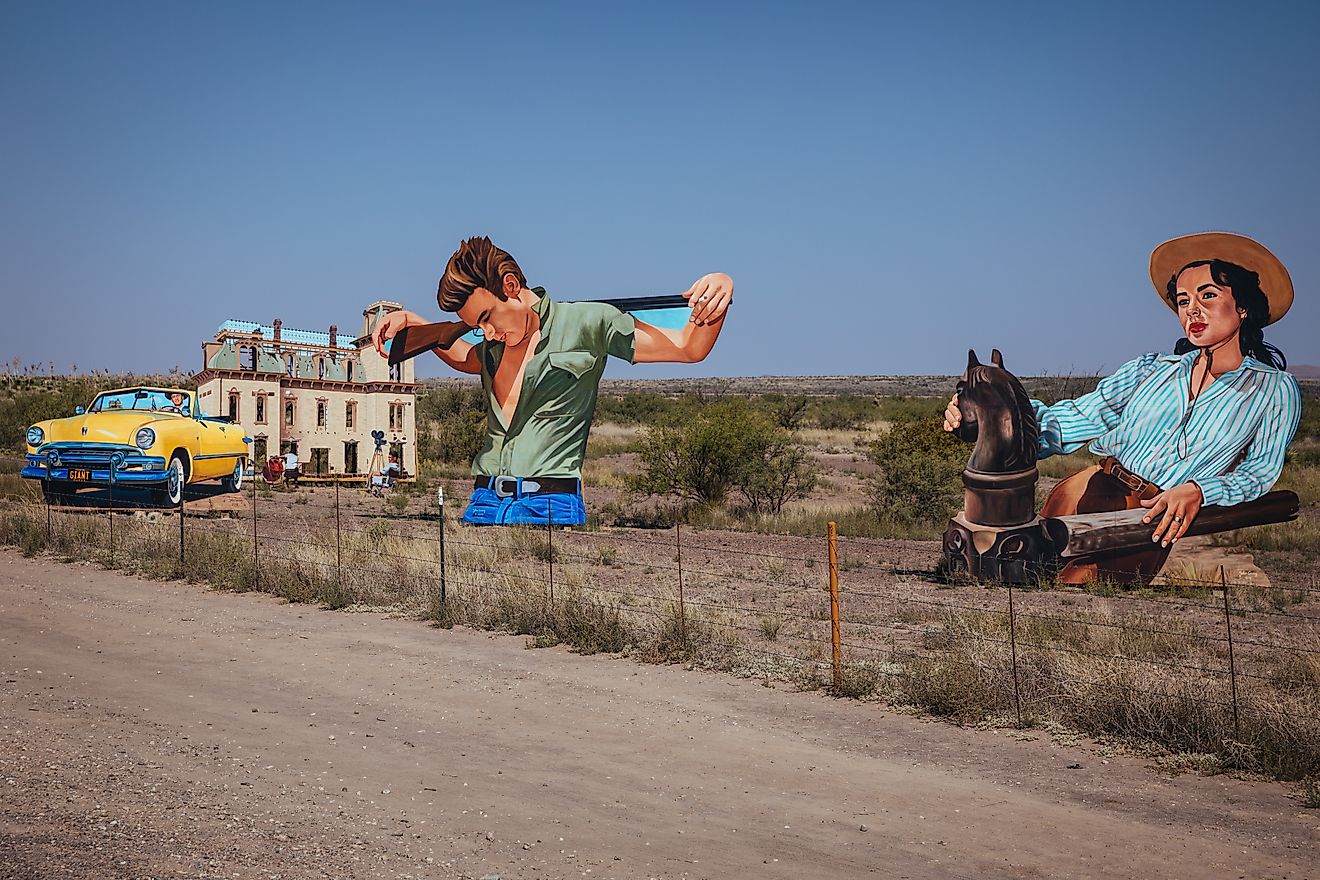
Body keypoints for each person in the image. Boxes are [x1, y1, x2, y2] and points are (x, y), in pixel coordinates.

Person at [943, 231, 1301, 583]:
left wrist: (1201, 490)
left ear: (1242, 306)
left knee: (1079, 596)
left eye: (1207, 295)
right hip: (1088, 489)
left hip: (1152, 514)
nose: (1193, 310)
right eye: (1183, 300)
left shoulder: (1273, 390)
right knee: (1025, 576)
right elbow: (1079, 417)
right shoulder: (1150, 370)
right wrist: (995, 417)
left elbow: (1259, 471)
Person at [372, 236, 732, 525]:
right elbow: (464, 356)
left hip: (550, 508)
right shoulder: (493, 347)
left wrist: (720, 287)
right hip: (481, 505)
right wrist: (414, 324)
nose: (486, 332)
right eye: (475, 326)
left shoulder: (588, 323)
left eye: (486, 317)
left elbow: (688, 347)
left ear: (510, 286)